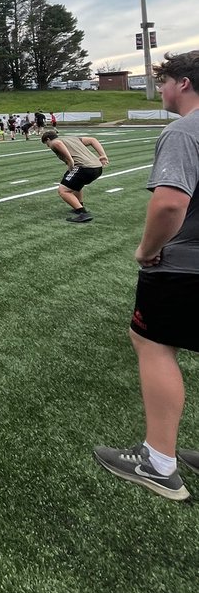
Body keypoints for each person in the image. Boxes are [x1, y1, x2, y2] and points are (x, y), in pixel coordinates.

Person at [93, 50, 199, 502]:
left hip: (186, 263)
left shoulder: (184, 131)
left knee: (151, 342)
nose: (161, 90)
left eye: (164, 81)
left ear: (184, 83)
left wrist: (147, 250)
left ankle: (158, 462)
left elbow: (170, 203)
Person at [40, 128, 108, 223]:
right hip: (97, 167)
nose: (48, 146)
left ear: (48, 139)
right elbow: (93, 140)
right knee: (76, 185)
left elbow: (58, 144)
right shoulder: (72, 138)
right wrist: (103, 155)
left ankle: (82, 213)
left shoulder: (54, 142)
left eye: (46, 143)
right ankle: (79, 204)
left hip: (84, 168)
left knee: (63, 190)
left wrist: (70, 163)